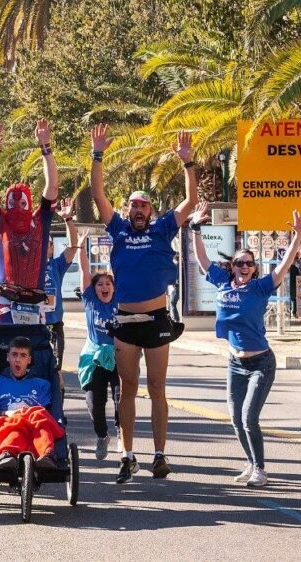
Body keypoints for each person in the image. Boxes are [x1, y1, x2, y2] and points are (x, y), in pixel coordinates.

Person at [91, 124, 197, 483]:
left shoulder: (162, 228)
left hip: (156, 319)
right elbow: (98, 194)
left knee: (156, 389)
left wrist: (188, 163)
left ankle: (160, 454)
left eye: (143, 205)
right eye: (134, 205)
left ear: (150, 210)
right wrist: (98, 155)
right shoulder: (118, 229)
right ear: (128, 210)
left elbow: (190, 202)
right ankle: (127, 455)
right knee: (127, 389)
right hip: (125, 320)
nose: (138, 209)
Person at [190, 204, 301, 488]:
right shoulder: (222, 282)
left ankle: (261, 469)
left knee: (249, 417)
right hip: (235, 363)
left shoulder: (261, 287)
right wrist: (195, 229)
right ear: (232, 266)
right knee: (235, 419)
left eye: (249, 264)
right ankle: (251, 463)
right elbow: (202, 260)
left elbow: (285, 265)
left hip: (261, 363)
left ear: (254, 269)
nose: (244, 267)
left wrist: (298, 236)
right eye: (240, 263)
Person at [0, 116, 58, 325]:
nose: (17, 208)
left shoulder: (41, 220)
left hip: (34, 303)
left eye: (23, 204)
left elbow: (52, 187)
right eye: (13, 204)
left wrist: (46, 148)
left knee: (35, 346)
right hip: (3, 301)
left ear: (30, 204)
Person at [0, 336, 65, 470]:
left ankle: (47, 453)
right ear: (7, 357)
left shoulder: (42, 384)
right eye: (14, 354)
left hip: (34, 421)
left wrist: (25, 412)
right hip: (7, 419)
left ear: (29, 360)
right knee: (15, 421)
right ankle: (7, 453)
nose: (18, 359)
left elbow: (45, 410)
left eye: (23, 355)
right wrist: (9, 413)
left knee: (40, 415)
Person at [76, 233, 120, 461]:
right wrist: (80, 247)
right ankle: (102, 436)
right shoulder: (90, 301)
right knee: (94, 402)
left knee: (121, 398)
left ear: (114, 287)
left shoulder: (120, 301)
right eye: (100, 284)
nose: (104, 287)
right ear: (94, 289)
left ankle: (122, 433)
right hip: (95, 358)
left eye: (108, 284)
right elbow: (85, 271)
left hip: (119, 356)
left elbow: (120, 269)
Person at [43, 198, 81, 376]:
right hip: (35, 325)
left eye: (47, 244)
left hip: (55, 325)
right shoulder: (29, 268)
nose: (44, 247)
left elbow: (73, 246)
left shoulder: (56, 265)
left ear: (52, 247)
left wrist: (68, 219)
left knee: (56, 371)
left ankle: (59, 392)